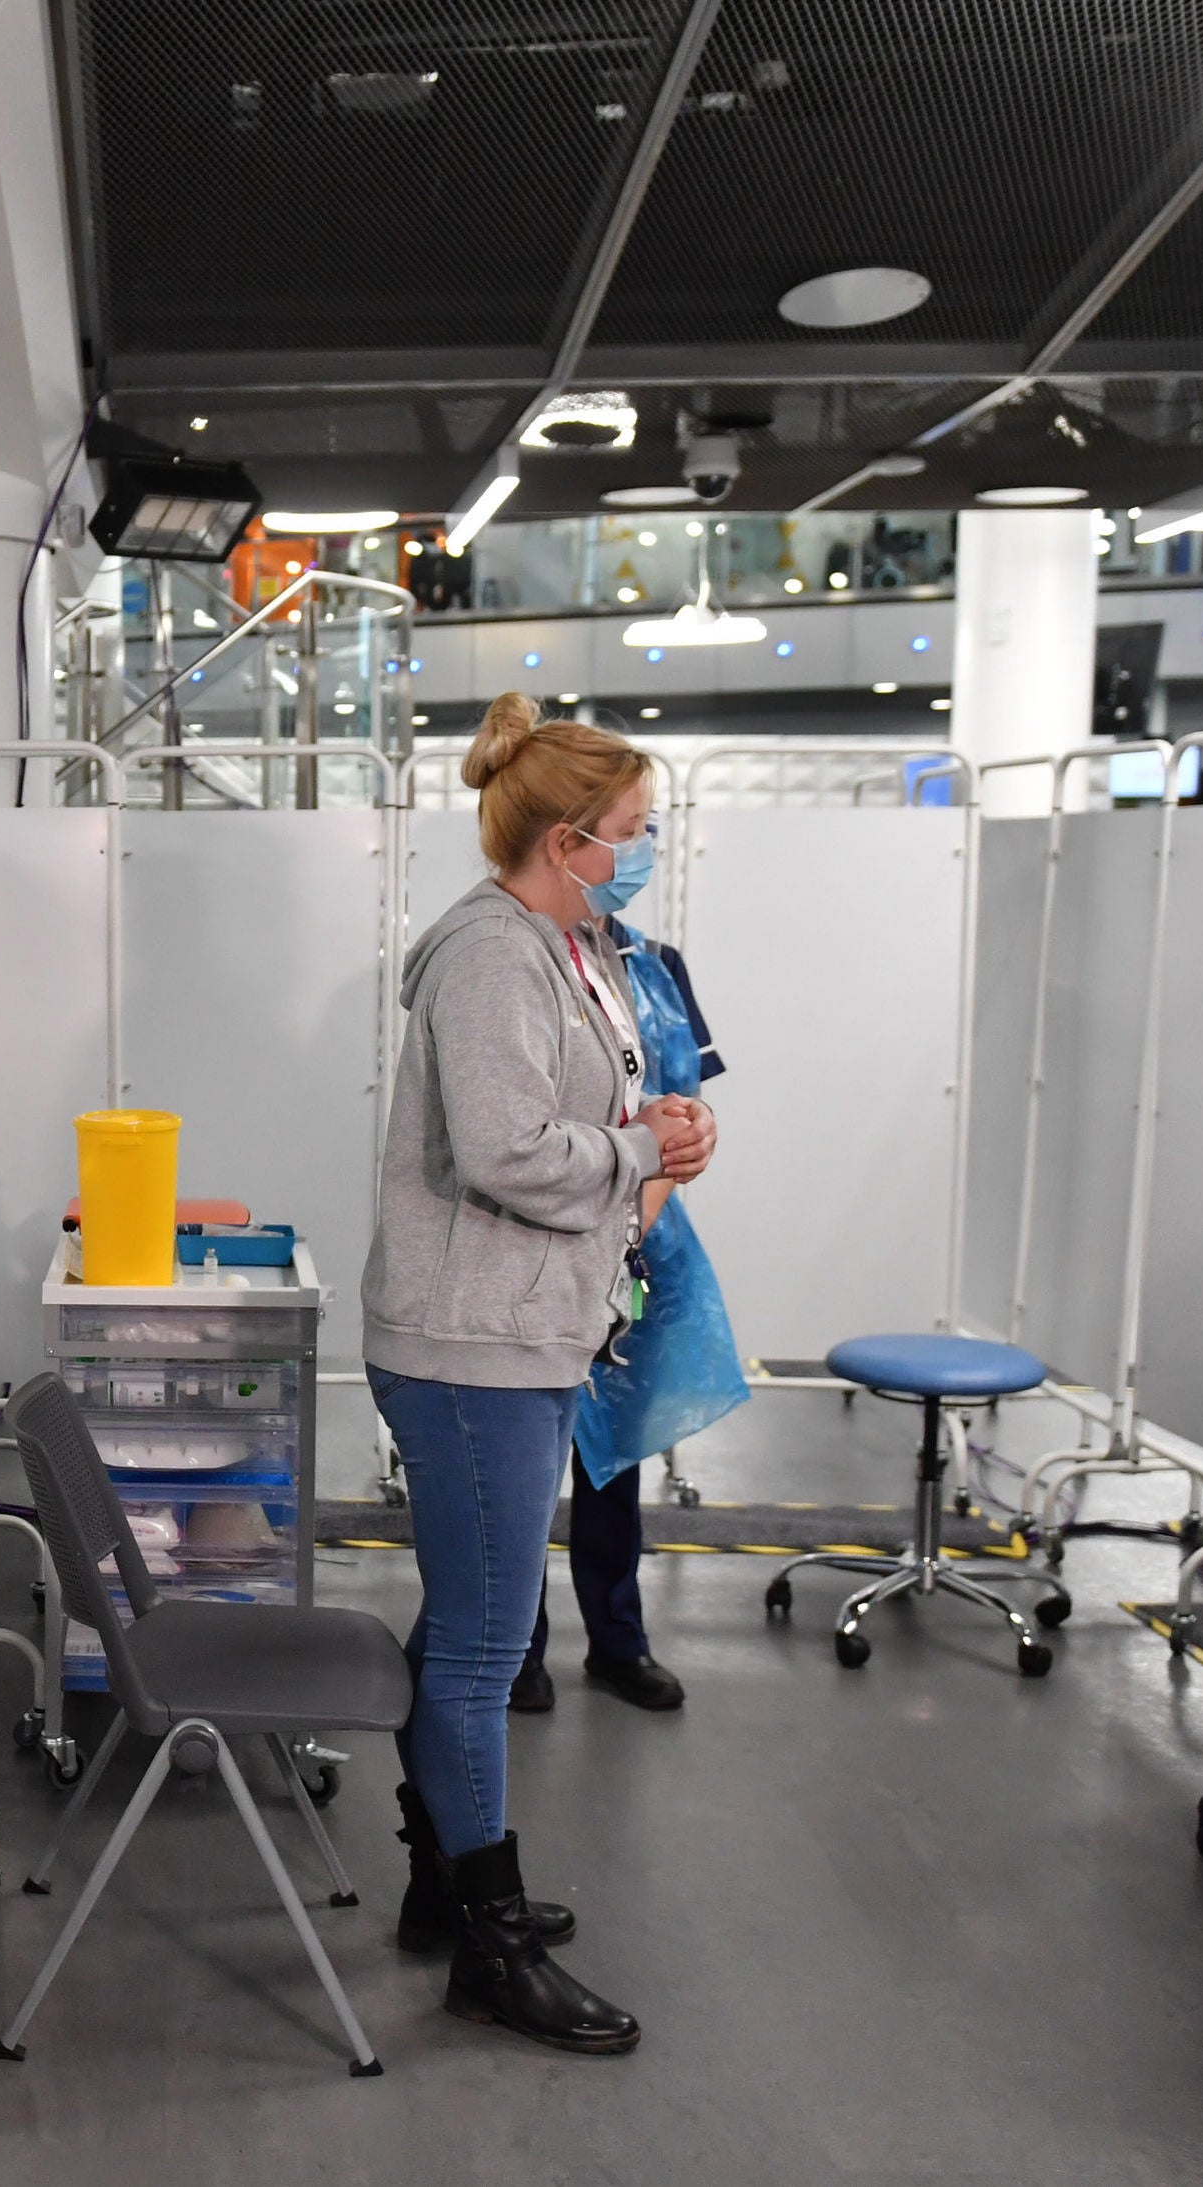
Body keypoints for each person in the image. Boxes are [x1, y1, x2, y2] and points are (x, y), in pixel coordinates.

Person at [361, 697, 714, 2053]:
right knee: (484, 1643)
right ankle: (486, 1945)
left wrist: (661, 1128)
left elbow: (588, 1110)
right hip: (471, 1350)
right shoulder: (493, 960)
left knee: (468, 1620)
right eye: (632, 832)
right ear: (567, 839)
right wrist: (636, 1154)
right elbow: (507, 1150)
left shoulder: (569, 945)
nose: (645, 849)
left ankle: (439, 1881)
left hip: (521, 1330)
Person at [513, 897, 747, 1717]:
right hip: (539, 1236)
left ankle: (617, 1640)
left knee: (614, 1453)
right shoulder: (518, 962)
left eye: (642, 829)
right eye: (623, 829)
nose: (635, 847)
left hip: (642, 1236)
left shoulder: (655, 966)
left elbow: (688, 1110)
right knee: (525, 1461)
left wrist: (632, 1226)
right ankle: (518, 1650)